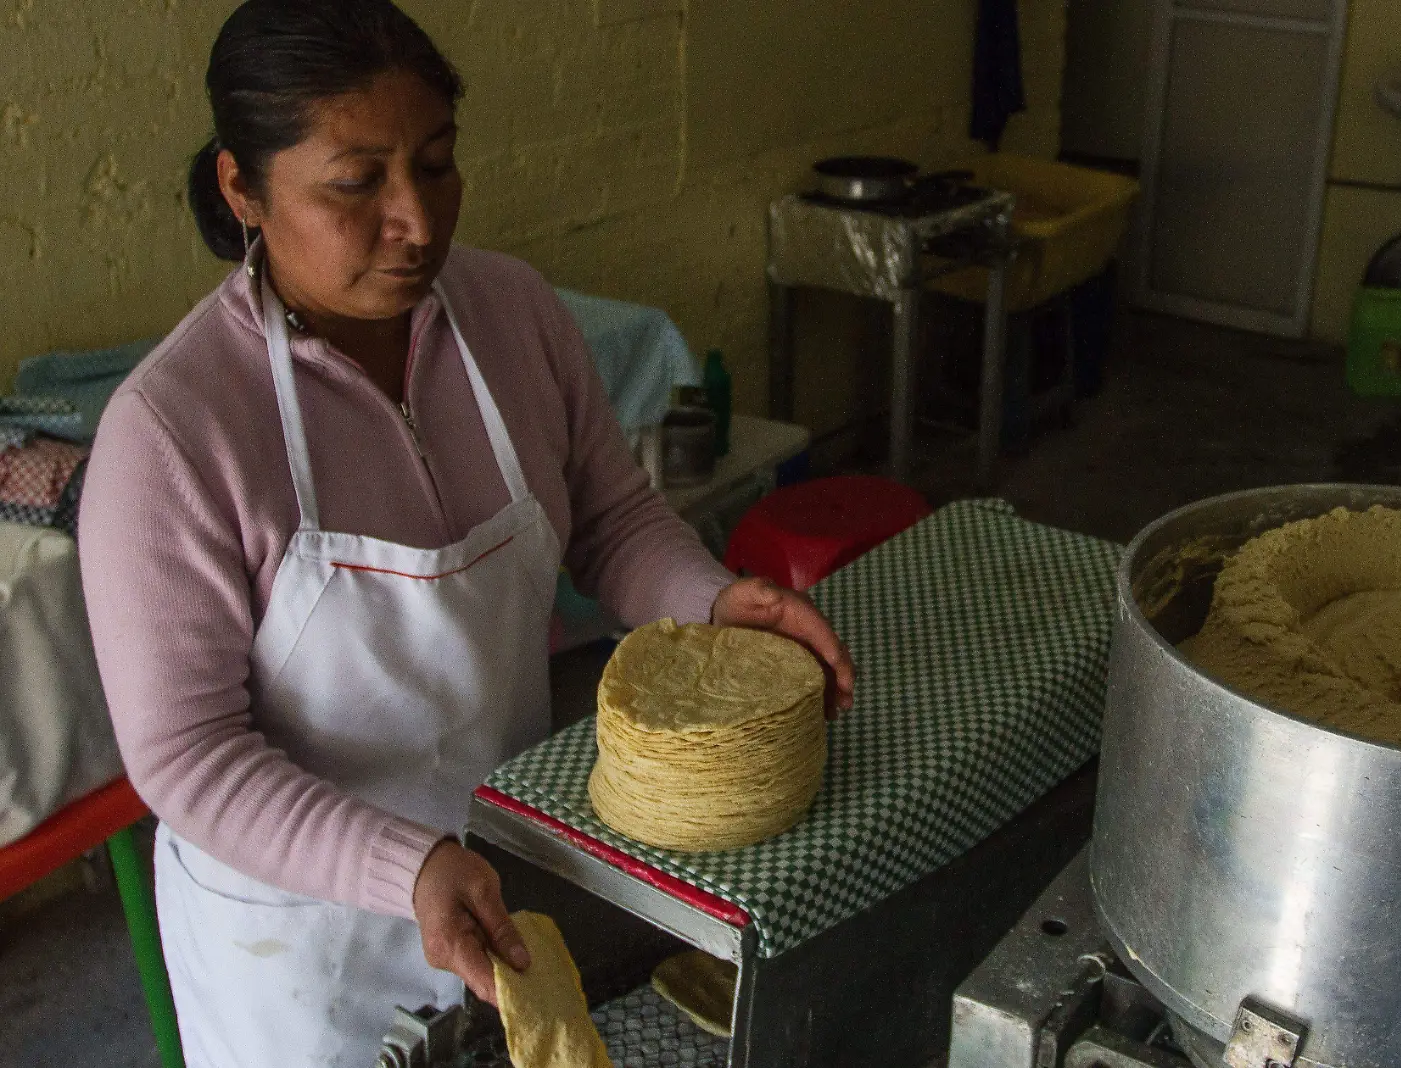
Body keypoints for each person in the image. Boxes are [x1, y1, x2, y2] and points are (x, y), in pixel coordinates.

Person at [77, 3, 855, 1065]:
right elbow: (187, 756)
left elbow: (614, 521)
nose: (417, 221)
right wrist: (404, 865)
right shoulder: (173, 434)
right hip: (305, 952)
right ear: (240, 187)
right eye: (358, 183)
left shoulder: (512, 316)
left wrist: (711, 600)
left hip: (507, 867)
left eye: (437, 165)